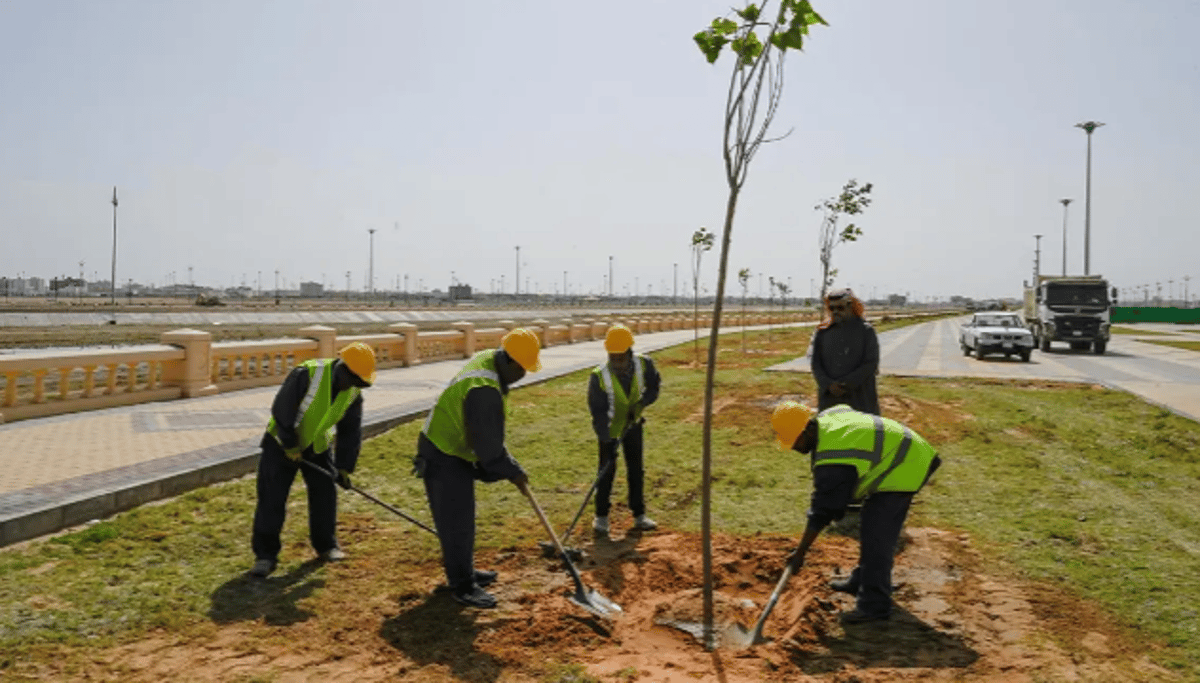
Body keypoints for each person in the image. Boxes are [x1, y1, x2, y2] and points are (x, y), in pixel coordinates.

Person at [770, 400, 941, 623]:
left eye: (794, 441)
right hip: (902, 453)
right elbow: (844, 409)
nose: (793, 447)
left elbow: (824, 509)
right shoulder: (828, 419)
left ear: (807, 429)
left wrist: (801, 552)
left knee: (878, 536)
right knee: (872, 525)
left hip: (906, 464)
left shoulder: (835, 452)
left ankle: (875, 606)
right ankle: (861, 580)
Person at [413, 328, 542, 609]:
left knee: (462, 518)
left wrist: (504, 467)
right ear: (508, 360)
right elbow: (489, 449)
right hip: (442, 451)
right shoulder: (484, 389)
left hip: (453, 446)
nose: (523, 375)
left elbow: (487, 442)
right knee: (457, 521)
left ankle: (465, 571)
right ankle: (462, 586)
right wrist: (513, 471)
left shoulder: (489, 360)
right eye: (521, 369)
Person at [249, 342, 377, 578]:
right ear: (342, 368)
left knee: (324, 494)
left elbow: (351, 431)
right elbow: (282, 410)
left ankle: (326, 545)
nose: (355, 385)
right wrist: (290, 444)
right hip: (281, 445)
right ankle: (265, 556)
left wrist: (344, 467)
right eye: (354, 379)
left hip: (317, 446)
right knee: (272, 499)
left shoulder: (353, 393)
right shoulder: (307, 374)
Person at [588, 323, 662, 535]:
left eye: (621, 358)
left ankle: (639, 515)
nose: (617, 363)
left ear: (630, 353)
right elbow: (597, 411)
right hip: (609, 428)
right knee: (606, 471)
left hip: (634, 424)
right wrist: (606, 439)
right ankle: (601, 517)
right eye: (613, 357)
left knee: (636, 469)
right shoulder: (599, 376)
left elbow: (654, 387)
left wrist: (641, 404)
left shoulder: (645, 364)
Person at [810, 288, 880, 415]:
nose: (836, 312)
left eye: (840, 308)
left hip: (859, 398)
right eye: (832, 308)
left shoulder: (866, 331)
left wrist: (845, 385)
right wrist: (828, 385)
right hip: (829, 399)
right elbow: (816, 364)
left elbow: (870, 364)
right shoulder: (823, 332)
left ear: (850, 306)